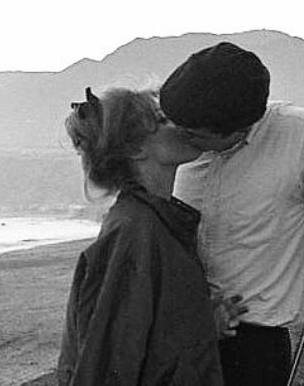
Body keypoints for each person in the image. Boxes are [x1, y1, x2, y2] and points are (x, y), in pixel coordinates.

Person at [160, 42, 304, 386]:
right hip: (183, 333)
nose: (181, 138)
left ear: (238, 130)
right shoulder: (178, 132)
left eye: (195, 135)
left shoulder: (302, 136)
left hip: (256, 348)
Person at [57, 86, 224, 386]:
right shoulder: (134, 232)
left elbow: (149, 340)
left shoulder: (157, 222)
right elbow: (107, 364)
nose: (180, 124)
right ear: (135, 150)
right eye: (162, 120)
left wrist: (202, 324)